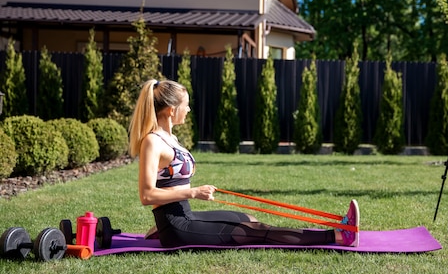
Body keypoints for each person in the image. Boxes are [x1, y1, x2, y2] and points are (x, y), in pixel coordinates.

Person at [128, 79, 360, 248]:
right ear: (171, 110)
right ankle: (338, 236)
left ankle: (158, 231)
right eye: (185, 105)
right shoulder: (152, 141)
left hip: (186, 215)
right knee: (256, 232)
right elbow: (146, 196)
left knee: (247, 219)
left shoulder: (172, 138)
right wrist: (193, 192)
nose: (188, 110)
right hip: (177, 226)